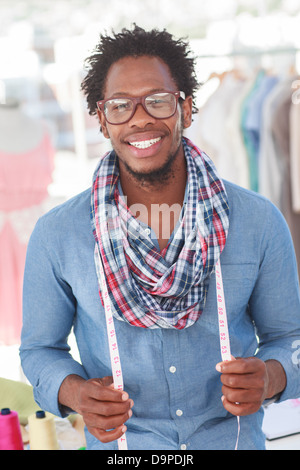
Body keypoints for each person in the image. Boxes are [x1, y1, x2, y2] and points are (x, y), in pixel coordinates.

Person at [20, 25, 300, 451]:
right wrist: (76, 393)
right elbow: (39, 350)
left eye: (157, 100)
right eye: (119, 105)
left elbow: (291, 338)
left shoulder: (257, 221)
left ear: (186, 109)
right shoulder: (58, 235)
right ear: (101, 119)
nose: (140, 118)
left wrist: (272, 376)